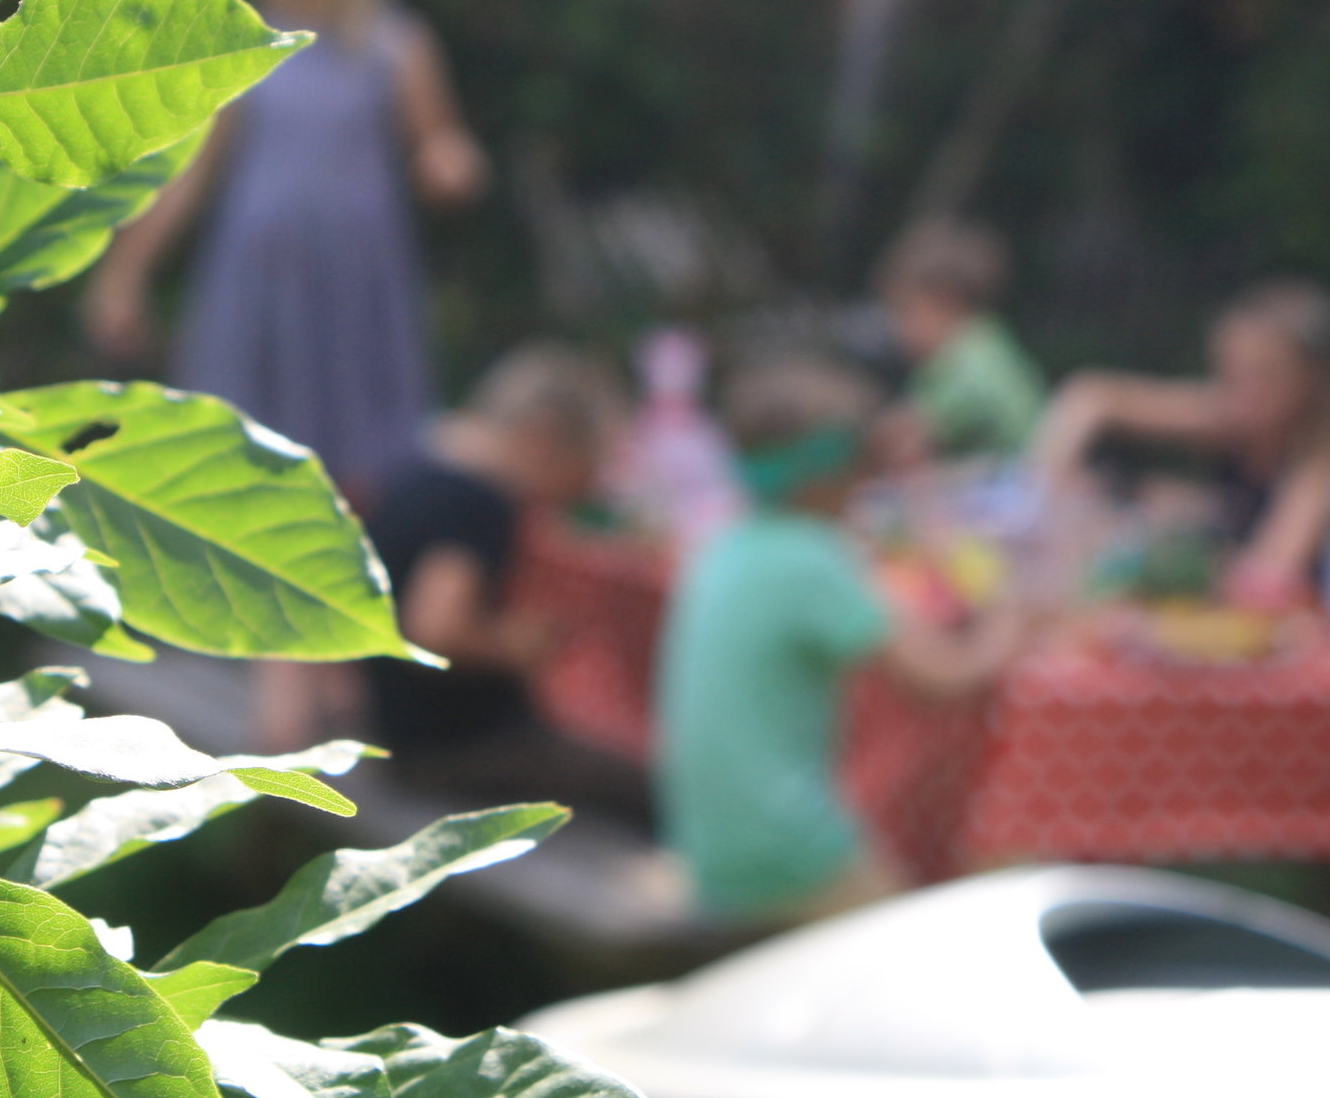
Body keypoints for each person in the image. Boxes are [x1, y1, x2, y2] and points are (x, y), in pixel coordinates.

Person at [85, 0, 486, 499]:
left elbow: (442, 139)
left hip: (352, 272)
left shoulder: (394, 45)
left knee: (358, 443)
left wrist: (451, 164)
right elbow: (187, 173)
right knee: (242, 440)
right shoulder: (245, 49)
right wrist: (124, 275)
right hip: (260, 272)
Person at [657, 354, 1024, 925]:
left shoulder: (725, 544)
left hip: (711, 850)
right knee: (913, 952)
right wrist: (1011, 619)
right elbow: (942, 679)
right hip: (786, 855)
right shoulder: (812, 558)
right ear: (829, 474)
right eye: (861, 466)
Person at [357, 343, 650, 823]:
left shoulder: (423, 469)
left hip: (396, 734)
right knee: (639, 783)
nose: (586, 488)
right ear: (543, 439)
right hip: (451, 750)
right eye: (587, 465)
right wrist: (516, 644)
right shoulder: (478, 502)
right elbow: (434, 628)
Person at [1031, 277, 1330, 611]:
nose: (1243, 395)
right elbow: (1090, 397)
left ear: (1311, 384)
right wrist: (1045, 490)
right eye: (1231, 374)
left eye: (1263, 376)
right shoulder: (1232, 413)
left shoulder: (1322, 460)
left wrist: (1171, 533)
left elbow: (1266, 576)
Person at [875, 217, 1046, 463]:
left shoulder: (968, 360)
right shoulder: (992, 343)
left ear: (944, 299)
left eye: (903, 311)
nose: (897, 330)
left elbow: (905, 434)